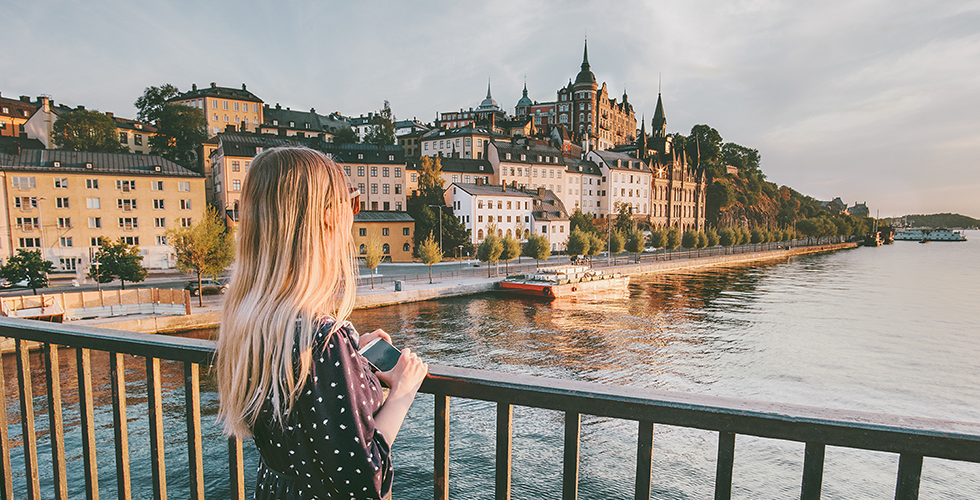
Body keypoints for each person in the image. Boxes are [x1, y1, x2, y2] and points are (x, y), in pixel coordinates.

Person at [215, 147, 428, 499]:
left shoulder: (251, 321)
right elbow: (366, 479)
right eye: (353, 203)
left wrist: (351, 361)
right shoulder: (324, 340)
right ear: (329, 217)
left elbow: (302, 413)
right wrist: (402, 393)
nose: (354, 215)